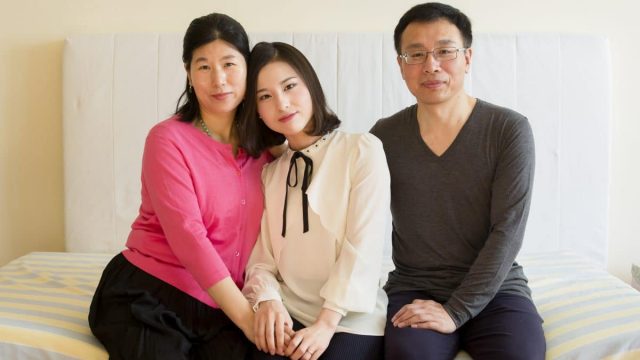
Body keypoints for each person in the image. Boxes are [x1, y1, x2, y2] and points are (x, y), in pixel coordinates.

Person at [88, 13, 271, 359]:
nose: (219, 80)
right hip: (151, 291)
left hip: (223, 303)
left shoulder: (266, 147)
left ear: (248, 67)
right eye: (203, 67)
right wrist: (247, 319)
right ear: (188, 73)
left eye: (230, 63)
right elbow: (188, 236)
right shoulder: (167, 140)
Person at [370, 3, 546, 360]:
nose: (431, 65)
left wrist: (456, 311)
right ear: (401, 64)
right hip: (415, 289)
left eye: (445, 51)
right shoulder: (383, 136)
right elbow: (351, 206)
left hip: (497, 291)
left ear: (467, 57)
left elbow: (508, 229)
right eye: (416, 54)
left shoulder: (508, 129)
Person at [238, 42, 389, 360]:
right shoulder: (271, 173)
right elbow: (262, 260)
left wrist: (325, 324)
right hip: (289, 313)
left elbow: (364, 250)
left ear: (311, 86)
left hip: (351, 318)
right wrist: (268, 301)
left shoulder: (361, 149)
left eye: (290, 86)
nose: (282, 103)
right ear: (257, 111)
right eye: (265, 96)